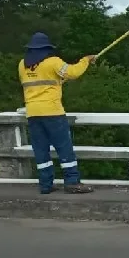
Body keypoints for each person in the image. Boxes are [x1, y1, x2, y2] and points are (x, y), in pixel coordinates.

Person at [18, 32, 96, 194]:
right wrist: (86, 60)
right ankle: (72, 182)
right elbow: (73, 72)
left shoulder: (22, 65)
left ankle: (46, 184)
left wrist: (59, 81)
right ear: (47, 48)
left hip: (32, 112)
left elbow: (44, 81)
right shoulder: (53, 62)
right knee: (64, 147)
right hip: (52, 111)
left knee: (41, 149)